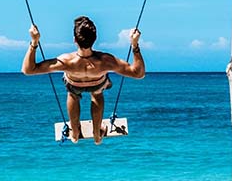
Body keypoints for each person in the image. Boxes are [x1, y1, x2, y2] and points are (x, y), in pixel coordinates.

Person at [21, 16, 145, 145]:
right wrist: (134, 45)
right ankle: (97, 134)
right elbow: (138, 73)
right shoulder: (106, 61)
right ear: (94, 39)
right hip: (97, 83)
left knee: (73, 95)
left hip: (74, 84)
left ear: (75, 40)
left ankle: (74, 133)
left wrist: (34, 42)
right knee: (97, 94)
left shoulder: (66, 61)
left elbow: (28, 70)